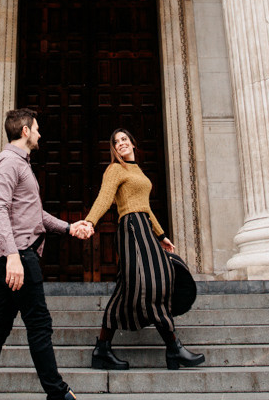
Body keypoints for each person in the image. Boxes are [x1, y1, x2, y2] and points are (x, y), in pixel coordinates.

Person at [0, 107, 108, 400]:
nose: (40, 134)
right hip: (21, 258)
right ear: (25, 130)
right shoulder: (8, 162)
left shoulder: (20, 165)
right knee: (39, 325)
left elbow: (35, 215)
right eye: (37, 129)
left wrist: (70, 229)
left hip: (19, 255)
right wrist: (13, 256)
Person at [80, 128, 204, 371]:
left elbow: (145, 208)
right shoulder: (115, 169)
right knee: (152, 284)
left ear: (133, 144)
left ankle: (102, 349)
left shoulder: (136, 171)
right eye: (116, 142)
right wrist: (90, 221)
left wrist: (162, 235)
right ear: (114, 149)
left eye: (125, 139)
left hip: (144, 228)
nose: (121, 143)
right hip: (131, 229)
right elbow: (105, 198)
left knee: (127, 290)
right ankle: (174, 348)